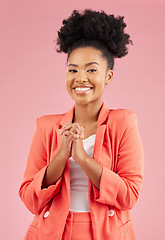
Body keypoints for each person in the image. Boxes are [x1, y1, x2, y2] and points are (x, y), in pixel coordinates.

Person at [19, 9, 144, 240]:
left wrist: (83, 159)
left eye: (92, 69)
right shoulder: (46, 126)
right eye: (73, 70)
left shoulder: (123, 123)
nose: (81, 78)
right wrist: (61, 155)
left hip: (108, 234)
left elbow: (129, 196)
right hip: (52, 234)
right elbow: (29, 198)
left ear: (108, 76)